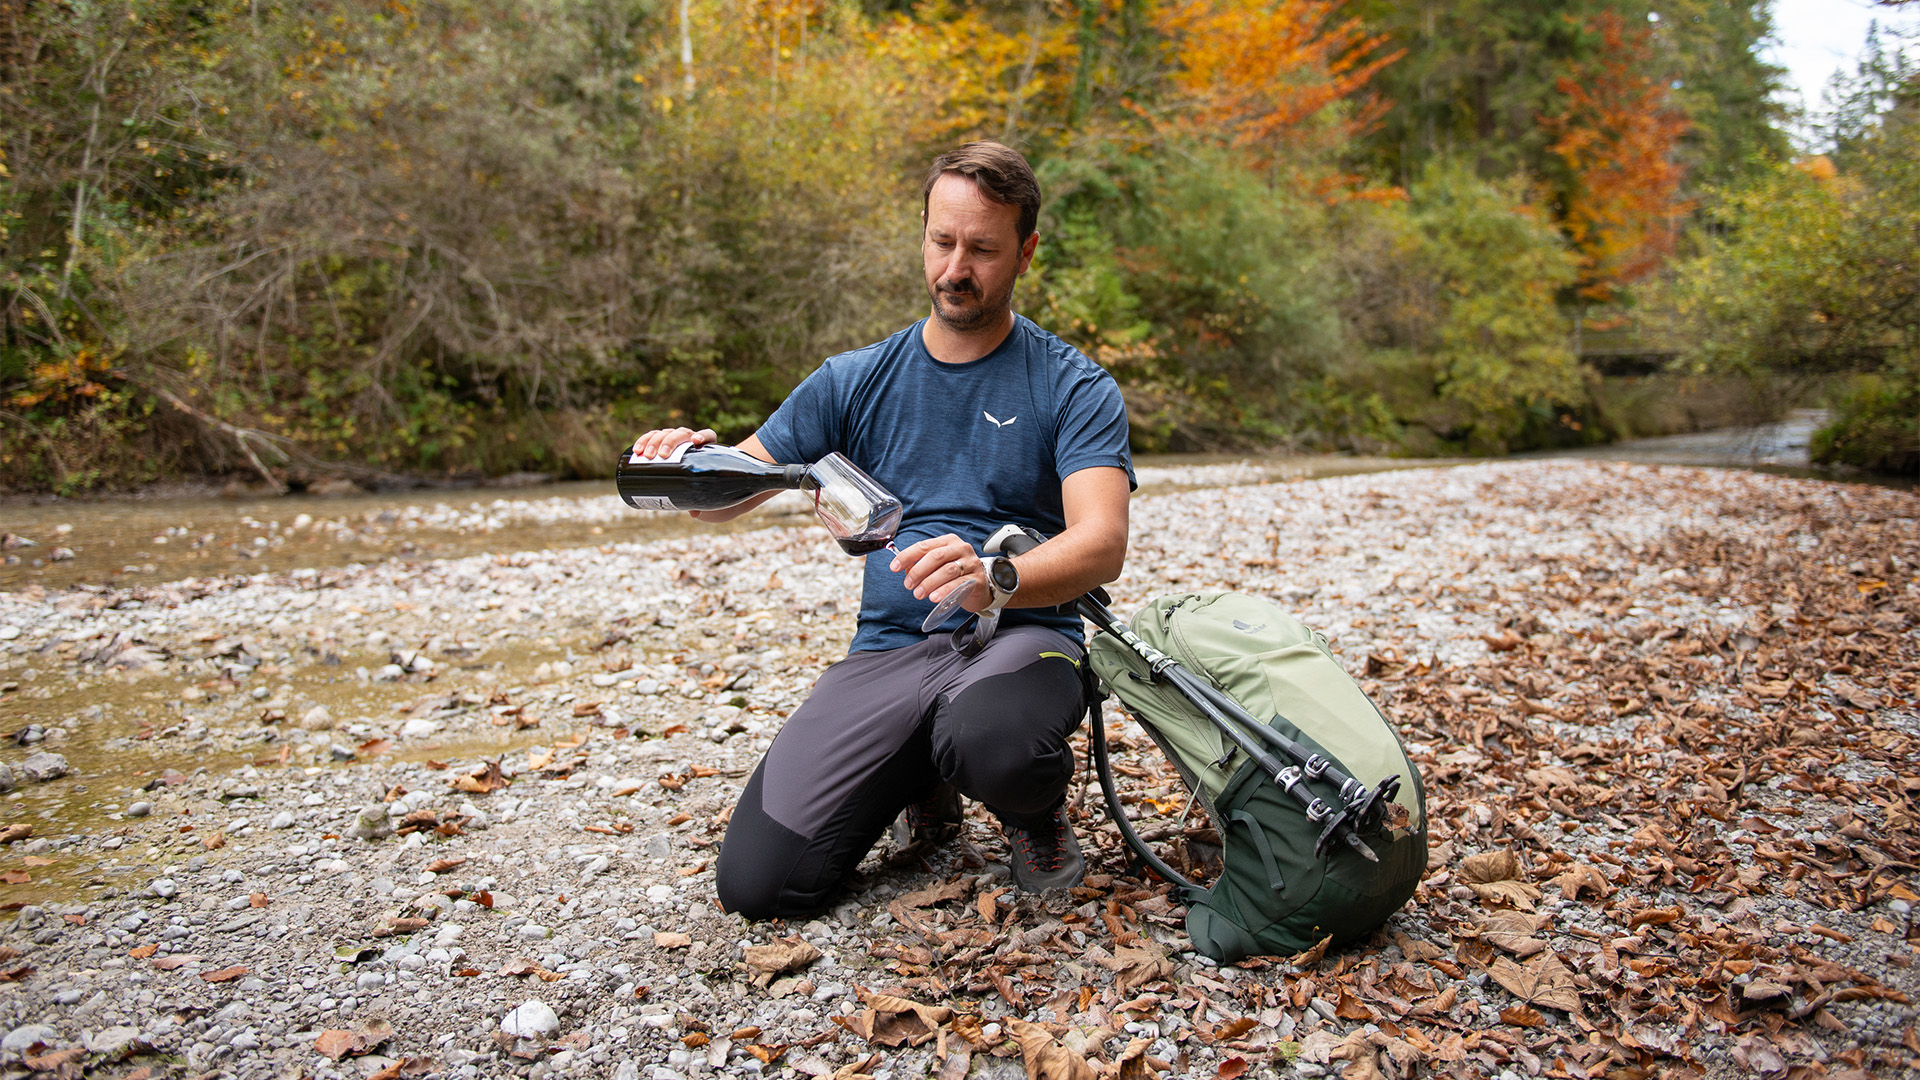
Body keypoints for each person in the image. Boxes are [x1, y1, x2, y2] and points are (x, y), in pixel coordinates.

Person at [629, 141, 1134, 919]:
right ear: (923, 234)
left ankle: (1032, 813)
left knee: (992, 740)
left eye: (984, 250)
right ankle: (921, 777)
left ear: (1026, 252)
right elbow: (733, 490)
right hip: (890, 653)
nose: (956, 268)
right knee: (757, 886)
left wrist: (995, 579)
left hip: (1022, 638)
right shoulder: (853, 379)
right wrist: (685, 462)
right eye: (942, 242)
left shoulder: (1071, 383)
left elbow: (1102, 544)